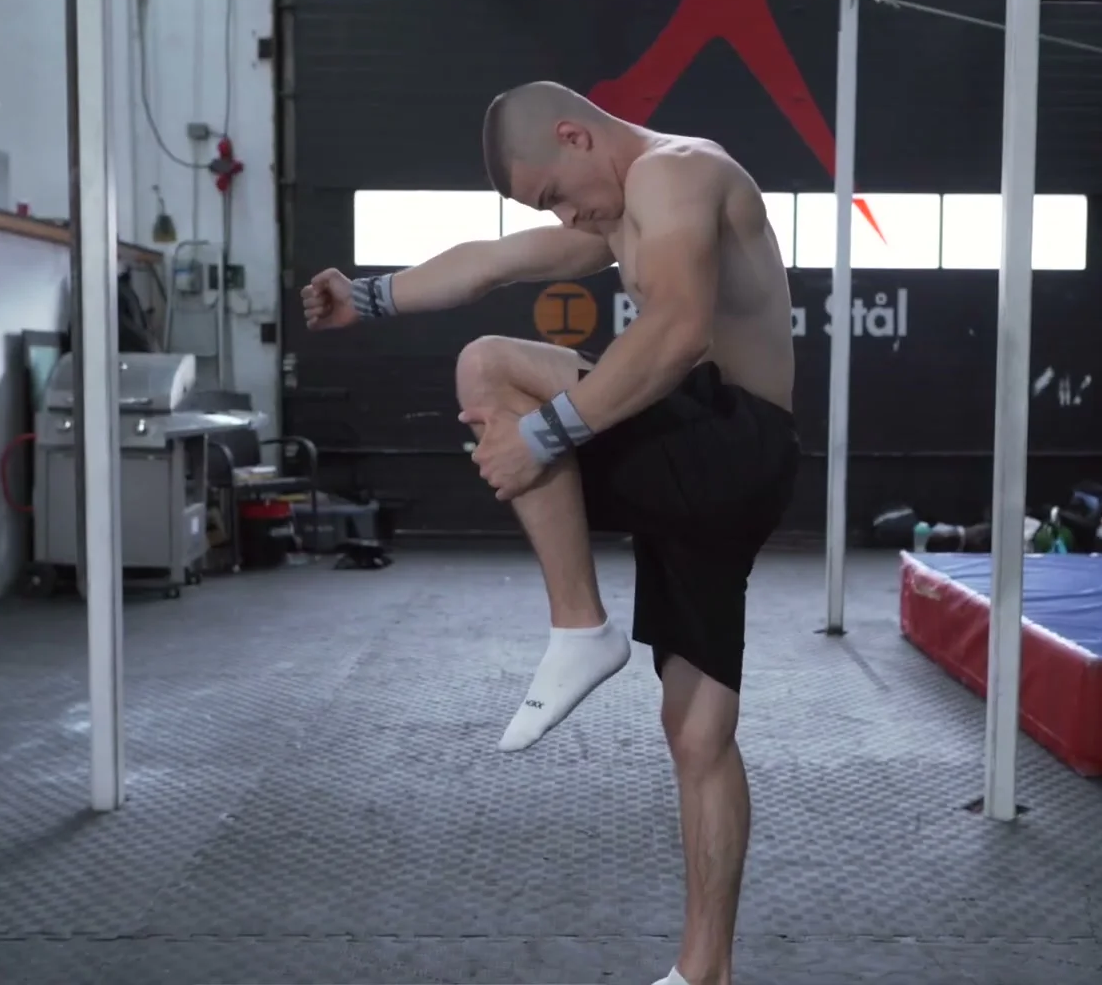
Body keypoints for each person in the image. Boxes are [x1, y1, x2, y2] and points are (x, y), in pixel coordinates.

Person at [302, 80, 798, 985]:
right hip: (719, 469)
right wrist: (367, 299)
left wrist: (543, 435)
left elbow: (678, 329)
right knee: (698, 734)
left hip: (728, 442)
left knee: (488, 366)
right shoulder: (625, 207)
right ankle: (705, 974)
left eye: (556, 195)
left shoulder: (676, 174)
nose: (566, 217)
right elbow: (491, 264)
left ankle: (580, 625)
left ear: (576, 136)